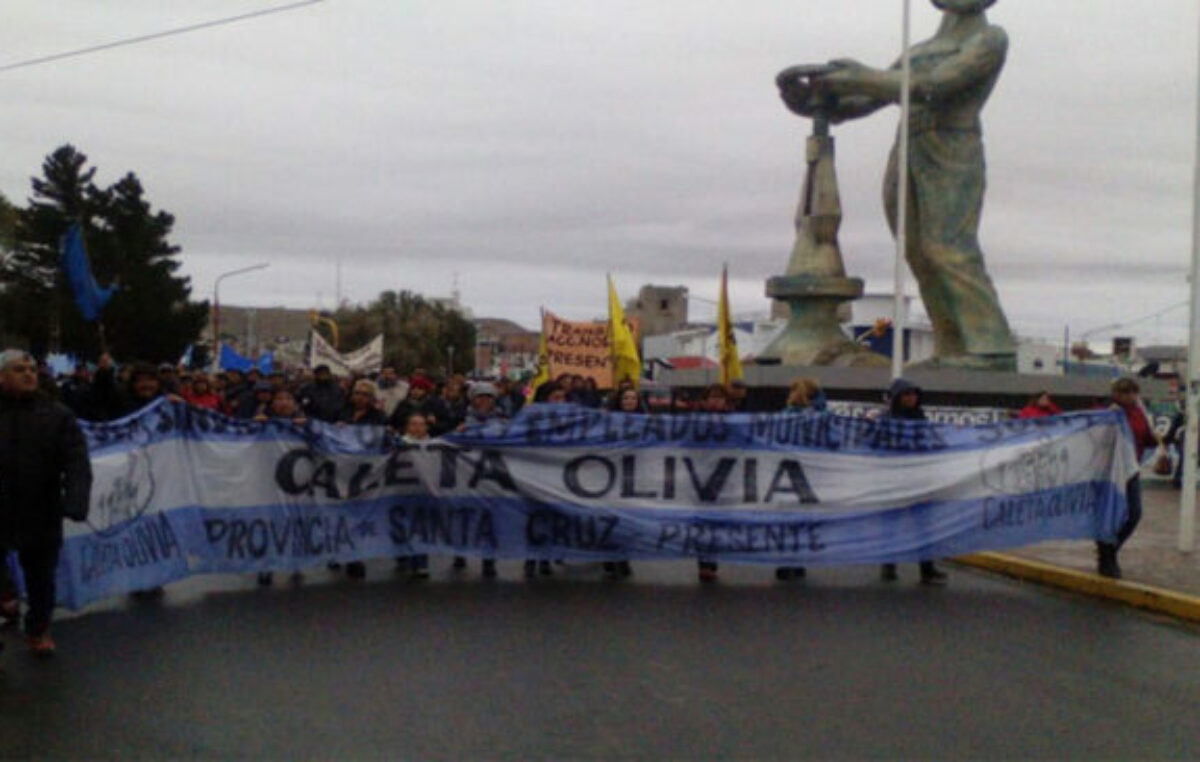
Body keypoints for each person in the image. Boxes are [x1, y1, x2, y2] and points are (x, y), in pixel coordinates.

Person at [780, 0, 1015, 369]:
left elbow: (936, 86)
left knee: (947, 247)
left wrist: (864, 76)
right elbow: (860, 102)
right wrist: (812, 100)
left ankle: (992, 349)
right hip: (907, 147)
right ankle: (952, 346)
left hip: (952, 145)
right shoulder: (919, 50)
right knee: (919, 252)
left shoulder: (989, 39)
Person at [0, 349, 92, 657]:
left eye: (31, 369)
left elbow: (77, 461)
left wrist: (76, 499)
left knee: (41, 579)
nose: (28, 374)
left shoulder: (56, 415)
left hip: (40, 509)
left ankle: (38, 628)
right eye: (18, 369)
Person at [879, 378, 948, 585]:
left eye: (914, 394)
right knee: (891, 525)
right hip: (894, 480)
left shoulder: (921, 418)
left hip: (919, 479)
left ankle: (926, 569)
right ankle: (888, 565)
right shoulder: (887, 420)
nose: (911, 398)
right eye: (907, 394)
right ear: (898, 397)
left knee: (924, 525)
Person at [1099, 378, 1160, 578]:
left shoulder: (1138, 412)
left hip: (1131, 470)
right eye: (1125, 392)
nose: (1130, 396)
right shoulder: (1109, 412)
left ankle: (1109, 549)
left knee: (1134, 514)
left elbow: (1145, 436)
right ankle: (1107, 555)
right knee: (1111, 514)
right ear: (1116, 394)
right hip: (1110, 471)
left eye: (1133, 392)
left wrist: (1158, 439)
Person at [454, 382, 507, 579]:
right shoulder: (460, 417)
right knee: (462, 515)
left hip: (491, 476)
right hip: (464, 475)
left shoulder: (503, 420)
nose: (484, 400)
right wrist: (456, 431)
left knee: (489, 519)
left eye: (488, 397)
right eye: (480, 396)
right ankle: (459, 552)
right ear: (472, 399)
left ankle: (488, 559)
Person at [775, 378, 824, 582]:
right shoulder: (821, 417)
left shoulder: (786, 417)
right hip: (809, 472)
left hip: (790, 472)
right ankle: (797, 560)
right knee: (803, 520)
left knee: (787, 519)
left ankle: (787, 561)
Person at [397, 412, 432, 580]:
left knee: (422, 528)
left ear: (426, 427)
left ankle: (421, 562)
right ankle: (406, 556)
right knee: (405, 526)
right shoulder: (399, 444)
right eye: (413, 424)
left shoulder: (434, 445)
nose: (417, 428)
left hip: (424, 493)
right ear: (407, 427)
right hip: (403, 492)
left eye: (421, 424)